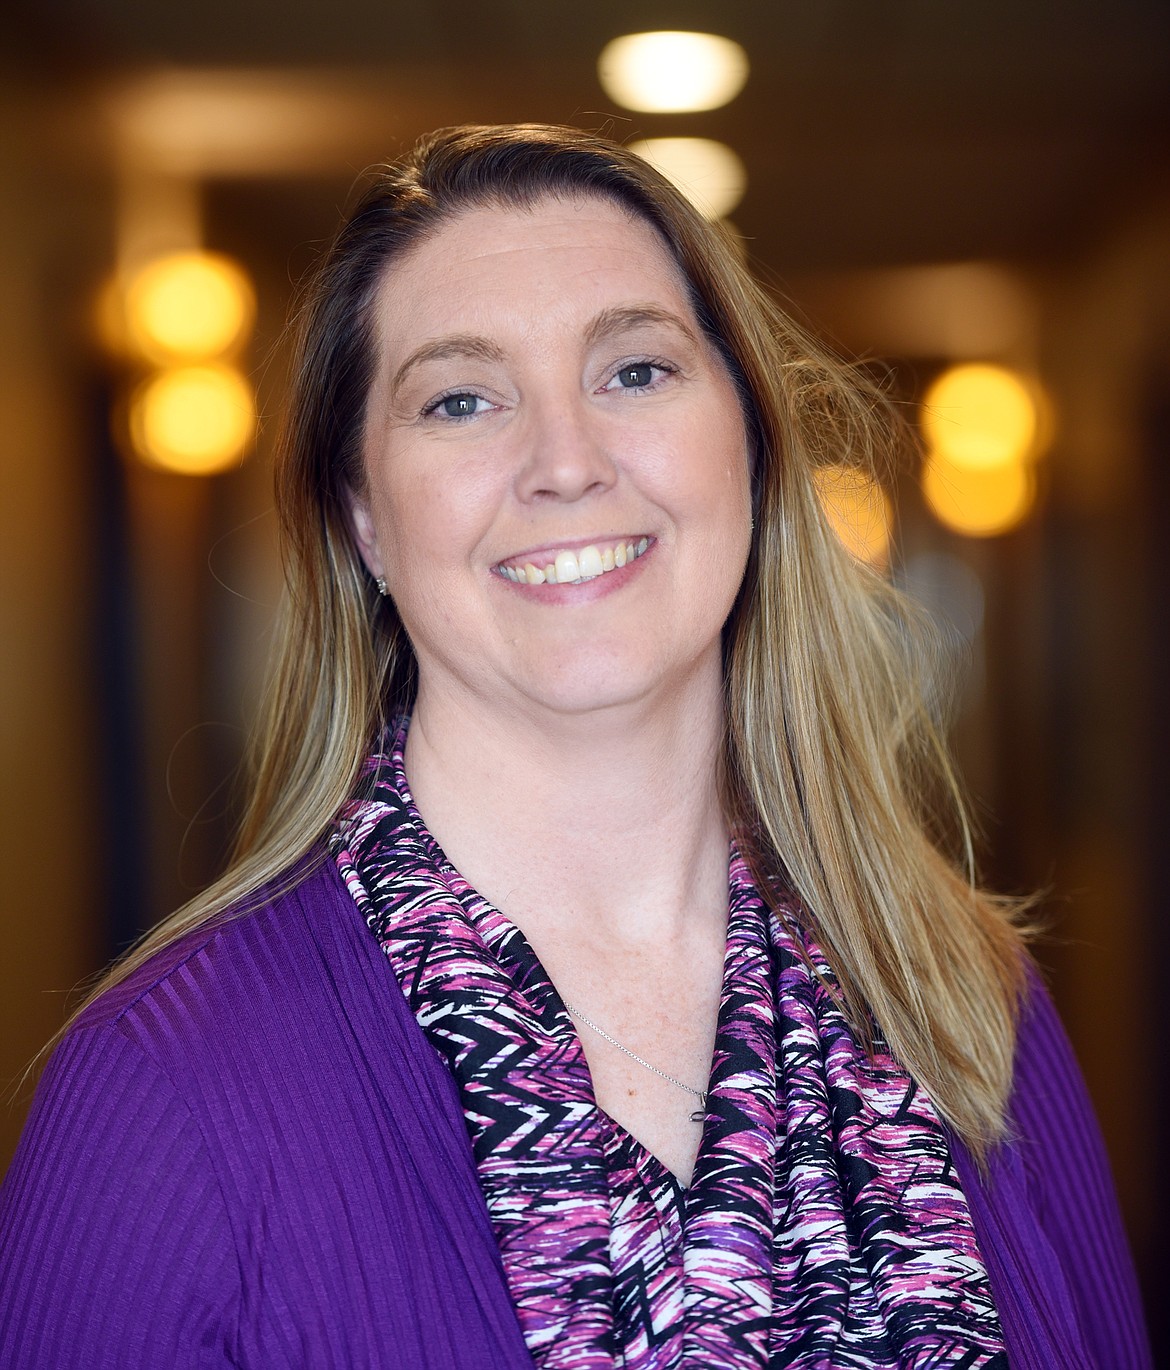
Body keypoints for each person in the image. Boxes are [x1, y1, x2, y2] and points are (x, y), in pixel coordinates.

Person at [0, 123, 1150, 1369]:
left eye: (637, 372)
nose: (565, 463)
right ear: (367, 520)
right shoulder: (157, 1097)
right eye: (461, 398)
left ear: (754, 451)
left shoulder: (965, 1000)